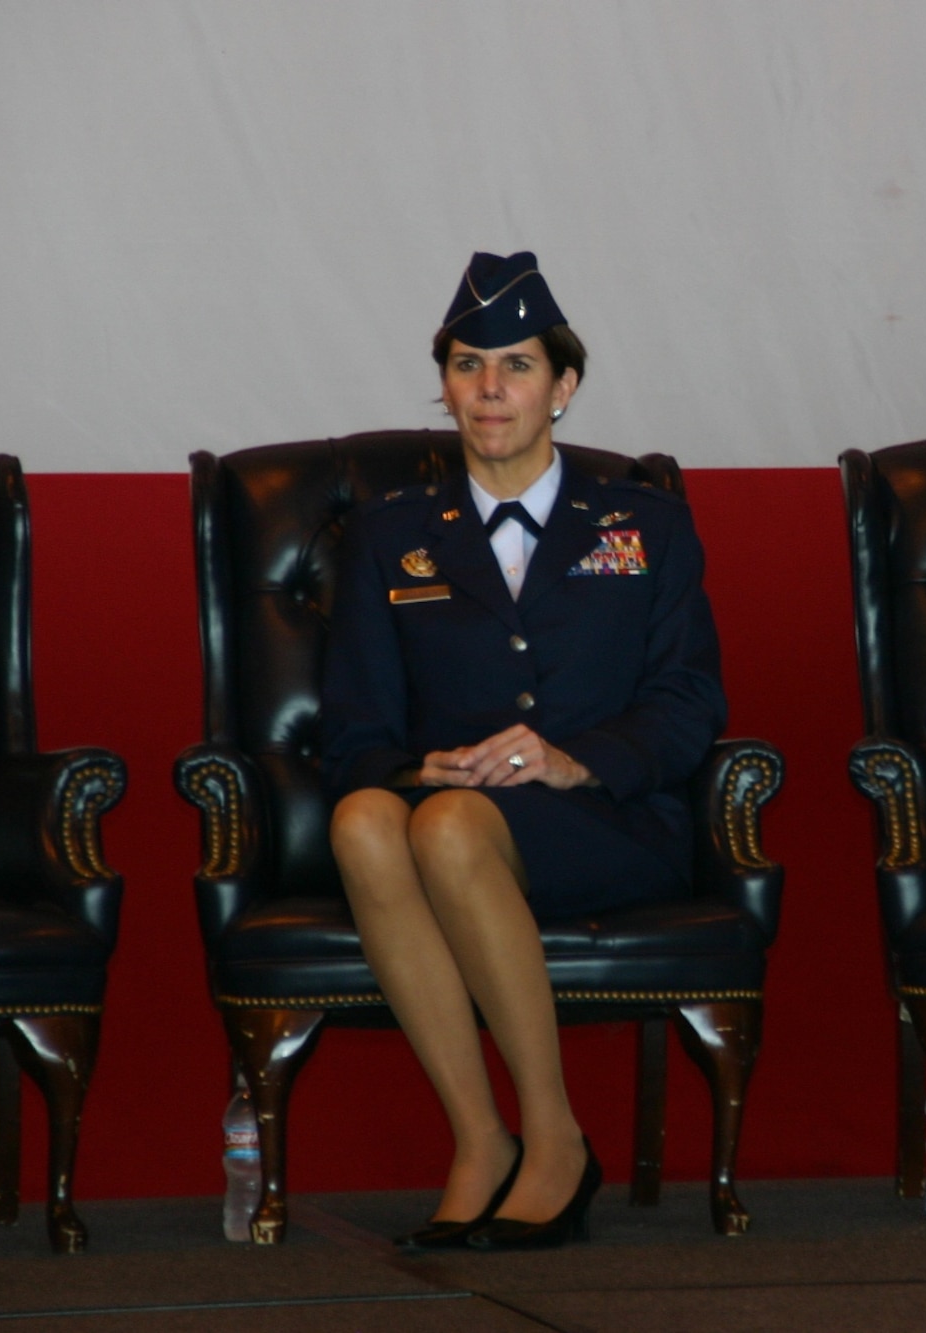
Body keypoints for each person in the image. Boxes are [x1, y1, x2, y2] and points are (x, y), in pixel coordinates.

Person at [321, 251, 726, 1249]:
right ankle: (480, 1138)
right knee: (366, 817)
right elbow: (353, 732)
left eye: (514, 366)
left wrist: (571, 758)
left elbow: (688, 703)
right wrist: (424, 769)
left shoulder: (645, 526)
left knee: (451, 827)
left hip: (607, 818)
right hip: (448, 811)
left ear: (564, 386)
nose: (489, 390)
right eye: (466, 365)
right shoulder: (391, 535)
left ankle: (554, 1137)